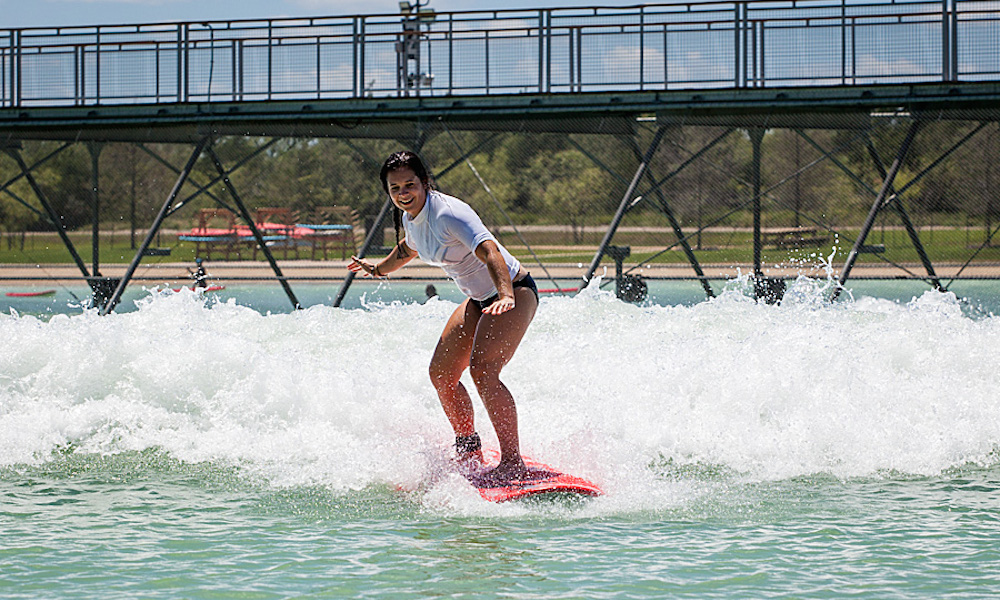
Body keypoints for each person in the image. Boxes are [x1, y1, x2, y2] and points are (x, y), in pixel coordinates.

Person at [349, 150, 539, 484]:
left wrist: (507, 295)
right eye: (395, 189)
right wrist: (377, 269)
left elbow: (490, 250)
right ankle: (469, 449)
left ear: (424, 182)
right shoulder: (411, 218)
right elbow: (408, 249)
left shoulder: (449, 214)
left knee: (483, 371)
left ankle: (512, 463)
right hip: (480, 300)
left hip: (515, 292)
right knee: (442, 373)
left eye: (410, 184)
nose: (403, 193)